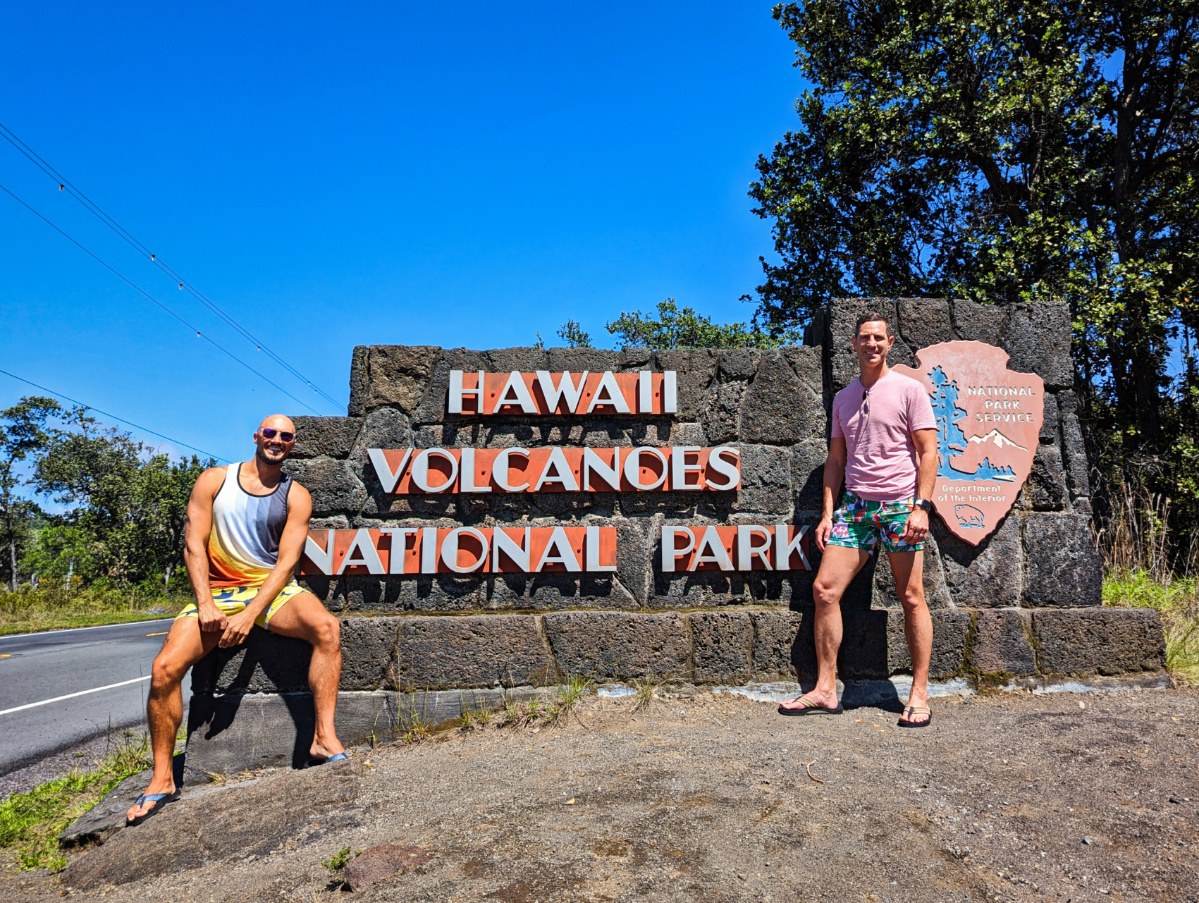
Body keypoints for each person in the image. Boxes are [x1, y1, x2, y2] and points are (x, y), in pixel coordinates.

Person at [126, 415, 345, 826]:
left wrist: (250, 613)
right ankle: (161, 778)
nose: (276, 440)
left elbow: (287, 562)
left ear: (293, 445)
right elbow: (194, 544)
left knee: (327, 629)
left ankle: (322, 738)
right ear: (256, 436)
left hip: (269, 592)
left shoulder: (295, 495)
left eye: (285, 436)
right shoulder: (214, 480)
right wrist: (206, 604)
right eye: (270, 433)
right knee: (164, 669)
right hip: (216, 594)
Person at [779, 313, 938, 727]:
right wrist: (828, 514)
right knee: (824, 590)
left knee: (911, 597)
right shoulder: (844, 399)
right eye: (865, 337)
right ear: (853, 344)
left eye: (879, 337)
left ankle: (918, 693)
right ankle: (826, 690)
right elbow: (836, 460)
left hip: (902, 506)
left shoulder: (909, 390)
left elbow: (928, 452)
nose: (872, 344)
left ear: (889, 344)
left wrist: (922, 506)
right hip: (856, 508)